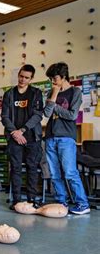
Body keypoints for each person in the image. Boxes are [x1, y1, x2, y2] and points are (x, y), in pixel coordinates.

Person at [44, 62, 90, 215]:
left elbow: (72, 115)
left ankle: (82, 204)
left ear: (63, 76)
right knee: (54, 173)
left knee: (70, 172)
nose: (52, 82)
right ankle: (61, 202)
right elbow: (46, 114)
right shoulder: (51, 92)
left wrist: (54, 105)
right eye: (50, 79)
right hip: (50, 137)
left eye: (55, 78)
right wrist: (54, 95)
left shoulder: (75, 92)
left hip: (66, 138)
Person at [1, 65, 44, 210]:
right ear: (18, 75)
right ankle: (16, 200)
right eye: (21, 76)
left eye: (26, 77)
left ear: (31, 79)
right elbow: (5, 116)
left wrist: (23, 130)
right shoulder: (9, 94)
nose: (22, 80)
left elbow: (38, 115)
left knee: (32, 168)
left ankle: (32, 199)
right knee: (16, 168)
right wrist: (15, 132)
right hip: (14, 138)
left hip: (32, 137)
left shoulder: (36, 93)